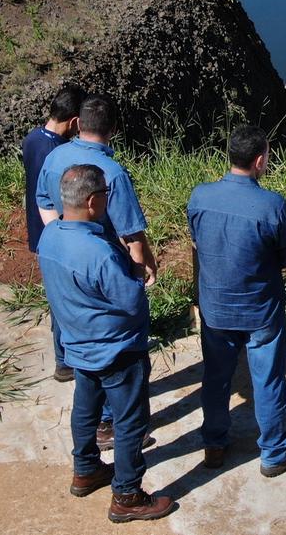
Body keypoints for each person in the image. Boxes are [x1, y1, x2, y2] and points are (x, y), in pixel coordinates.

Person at [36, 164, 176, 524]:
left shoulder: (49, 237)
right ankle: (127, 495)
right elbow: (131, 302)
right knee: (130, 421)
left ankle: (85, 470)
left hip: (79, 345)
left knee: (86, 410)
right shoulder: (98, 251)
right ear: (94, 200)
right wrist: (135, 274)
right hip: (117, 350)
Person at [187, 125, 286, 478]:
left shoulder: (200, 196)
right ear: (260, 161)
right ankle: (274, 452)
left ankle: (213, 443)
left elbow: (197, 239)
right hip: (260, 310)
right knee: (269, 379)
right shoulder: (272, 205)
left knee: (215, 377)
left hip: (215, 308)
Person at [36, 94, 158, 450]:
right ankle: (110, 426)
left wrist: (60, 236)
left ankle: (68, 369)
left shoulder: (56, 156)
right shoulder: (113, 173)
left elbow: (43, 201)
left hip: (65, 257)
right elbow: (130, 232)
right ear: (114, 130)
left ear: (79, 123)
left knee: (75, 325)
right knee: (113, 341)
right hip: (103, 262)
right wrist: (144, 266)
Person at [21, 83, 86, 383]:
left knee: (56, 295)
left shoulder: (32, 139)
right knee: (68, 298)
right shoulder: (60, 153)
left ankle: (65, 355)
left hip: (39, 231)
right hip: (60, 232)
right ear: (74, 121)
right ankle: (65, 361)